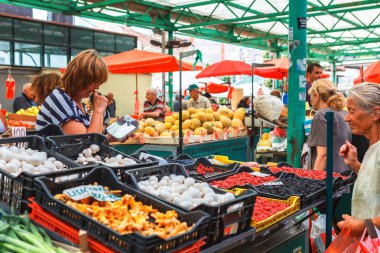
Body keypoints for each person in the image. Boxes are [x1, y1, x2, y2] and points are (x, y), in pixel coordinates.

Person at [337, 83, 380, 236]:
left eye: (352, 111)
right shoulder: (373, 145)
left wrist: (361, 226)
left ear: (375, 114)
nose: (347, 118)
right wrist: (355, 165)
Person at [36, 49, 109, 135]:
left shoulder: (77, 101)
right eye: (95, 82)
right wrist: (98, 111)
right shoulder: (59, 99)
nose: (97, 87)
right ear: (80, 78)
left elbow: (92, 139)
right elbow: (87, 142)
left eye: (100, 83)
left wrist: (108, 138)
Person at [306, 79, 351, 173]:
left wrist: (315, 182)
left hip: (329, 178)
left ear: (317, 96)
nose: (310, 99)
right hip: (343, 175)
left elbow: (323, 156)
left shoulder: (321, 115)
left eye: (311, 96)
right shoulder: (343, 113)